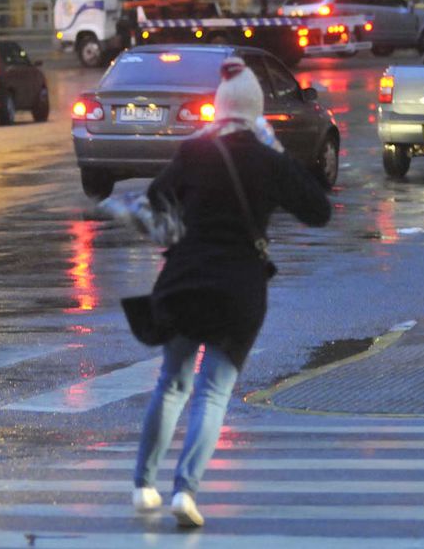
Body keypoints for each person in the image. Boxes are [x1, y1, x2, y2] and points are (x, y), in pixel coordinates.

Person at [131, 56, 331, 528]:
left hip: (185, 280)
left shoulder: (194, 153)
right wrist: (277, 153)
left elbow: (153, 203)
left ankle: (143, 484)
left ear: (219, 109)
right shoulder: (266, 159)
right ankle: (185, 491)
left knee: (172, 383)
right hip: (239, 289)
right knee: (212, 393)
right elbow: (318, 210)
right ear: (257, 113)